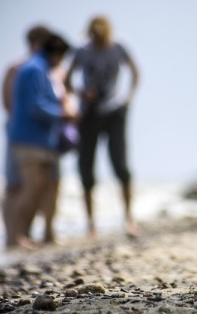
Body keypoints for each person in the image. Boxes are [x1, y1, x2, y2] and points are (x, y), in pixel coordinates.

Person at [65, 15, 139, 238]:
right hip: (89, 114)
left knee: (121, 166)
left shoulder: (119, 46)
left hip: (114, 112)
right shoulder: (81, 50)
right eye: (95, 40)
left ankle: (129, 218)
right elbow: (67, 80)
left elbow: (136, 73)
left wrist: (128, 98)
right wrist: (81, 93)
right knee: (86, 167)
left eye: (102, 40)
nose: (99, 44)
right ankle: (90, 225)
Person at [8, 33, 75, 249]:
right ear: (56, 54)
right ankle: (17, 237)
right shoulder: (34, 69)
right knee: (30, 188)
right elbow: (36, 106)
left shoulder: (39, 68)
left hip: (43, 140)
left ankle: (26, 236)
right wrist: (64, 114)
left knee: (42, 187)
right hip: (29, 139)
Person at [0, 25, 54, 247]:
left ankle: (21, 234)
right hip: (22, 135)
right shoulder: (19, 67)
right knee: (16, 186)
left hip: (33, 135)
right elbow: (8, 103)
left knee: (33, 186)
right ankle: (12, 236)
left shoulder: (39, 68)